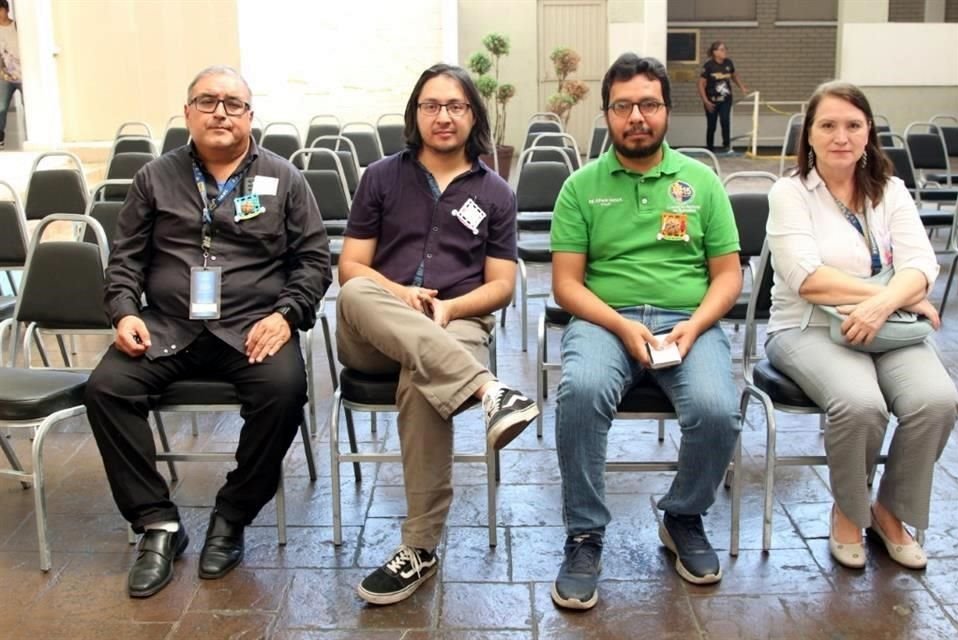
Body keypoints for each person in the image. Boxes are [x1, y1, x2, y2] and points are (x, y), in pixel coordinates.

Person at [84, 65, 331, 598]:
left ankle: (233, 514)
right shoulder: (155, 177)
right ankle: (157, 524)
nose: (221, 111)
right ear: (188, 111)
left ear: (250, 115)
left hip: (251, 329)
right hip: (168, 326)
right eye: (208, 101)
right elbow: (124, 262)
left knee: (285, 390)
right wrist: (125, 312)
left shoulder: (284, 178)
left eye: (233, 103)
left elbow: (313, 263)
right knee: (106, 388)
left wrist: (285, 315)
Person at [336, 63, 539, 606]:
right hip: (376, 324)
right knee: (356, 293)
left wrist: (447, 310)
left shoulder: (496, 193)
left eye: (455, 106)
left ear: (472, 114)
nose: (443, 116)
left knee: (424, 381)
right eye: (431, 105)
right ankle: (488, 389)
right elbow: (352, 268)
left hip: (458, 322)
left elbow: (500, 286)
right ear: (415, 113)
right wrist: (402, 295)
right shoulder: (381, 176)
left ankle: (419, 549)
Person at [549, 53, 743, 610]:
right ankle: (585, 532)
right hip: (604, 319)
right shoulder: (580, 187)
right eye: (623, 105)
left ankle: (682, 515)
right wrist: (619, 324)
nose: (637, 116)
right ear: (607, 113)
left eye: (649, 104)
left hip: (689, 320)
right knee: (581, 393)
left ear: (667, 111)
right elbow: (566, 285)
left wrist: (695, 326)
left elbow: (728, 275)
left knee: (717, 408)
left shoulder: (701, 183)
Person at [765, 81, 958, 571]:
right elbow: (808, 279)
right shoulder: (789, 193)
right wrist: (897, 297)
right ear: (808, 134)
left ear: (868, 131)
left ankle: (890, 511)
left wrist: (886, 305)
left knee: (936, 400)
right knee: (861, 404)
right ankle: (849, 511)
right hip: (806, 326)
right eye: (827, 125)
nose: (841, 136)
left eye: (853, 125)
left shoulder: (890, 192)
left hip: (889, 325)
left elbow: (921, 263)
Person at [697, 41, 747, 155]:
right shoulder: (709, 66)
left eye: (725, 49)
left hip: (725, 99)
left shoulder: (728, 63)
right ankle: (709, 148)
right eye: (722, 49)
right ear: (715, 52)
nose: (725, 52)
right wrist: (705, 101)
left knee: (725, 120)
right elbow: (701, 84)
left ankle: (726, 145)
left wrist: (742, 87)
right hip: (712, 100)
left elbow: (734, 75)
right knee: (712, 125)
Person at [0, 0, 22, 150]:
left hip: (23, 75)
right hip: (6, 76)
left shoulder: (17, 26)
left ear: (6, 10)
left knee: (31, 105)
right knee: (1, 107)